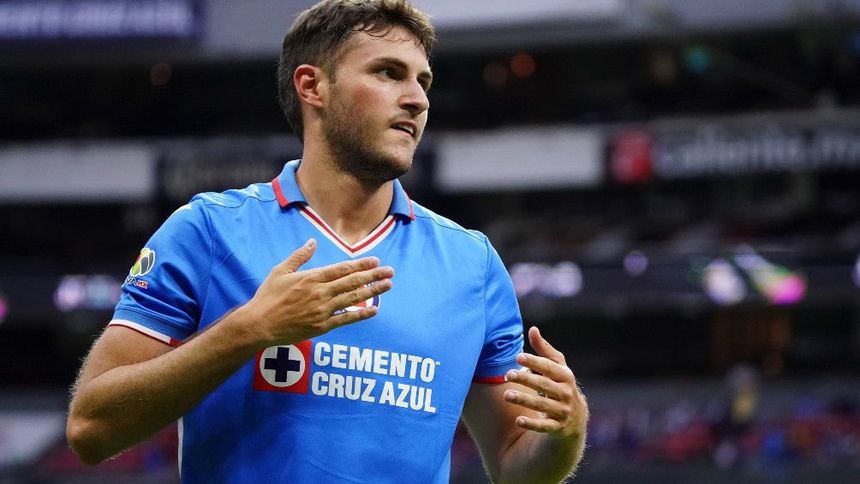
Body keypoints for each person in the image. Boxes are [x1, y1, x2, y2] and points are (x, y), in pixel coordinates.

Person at [66, 0, 588, 482]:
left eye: (423, 81)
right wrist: (248, 330)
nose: (417, 99)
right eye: (388, 73)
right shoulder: (207, 231)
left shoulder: (471, 264)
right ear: (312, 86)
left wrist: (565, 433)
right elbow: (91, 430)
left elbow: (516, 465)